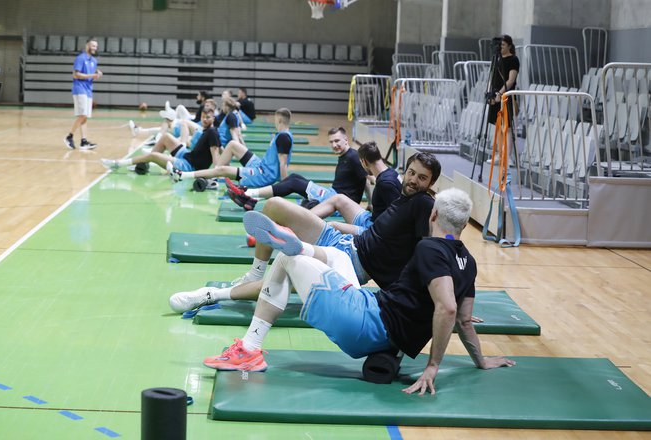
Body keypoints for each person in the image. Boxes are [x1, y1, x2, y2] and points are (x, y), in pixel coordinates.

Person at [203, 188, 516, 395]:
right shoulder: (469, 263)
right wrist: (482, 360)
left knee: (285, 258)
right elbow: (464, 320)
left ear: (433, 215)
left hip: (364, 323)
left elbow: (447, 309)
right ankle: (309, 251)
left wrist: (432, 366)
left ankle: (250, 349)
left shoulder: (429, 250)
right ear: (463, 226)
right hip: (372, 313)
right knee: (337, 257)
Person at [168, 152, 440, 312]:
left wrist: (437, 297)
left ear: (431, 183)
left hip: (351, 264)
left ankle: (211, 295)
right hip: (344, 241)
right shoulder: (404, 196)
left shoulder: (423, 204)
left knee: (285, 269)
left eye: (422, 177)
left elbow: (427, 252)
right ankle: (255, 270)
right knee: (273, 206)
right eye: (412, 173)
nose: (414, 180)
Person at [225, 127, 368, 211]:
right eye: (331, 142)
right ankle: (253, 198)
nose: (334, 145)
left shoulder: (354, 157)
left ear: (346, 140)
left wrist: (371, 206)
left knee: (294, 183)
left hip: (338, 201)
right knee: (294, 177)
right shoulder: (345, 156)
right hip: (333, 195)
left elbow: (369, 179)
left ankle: (248, 194)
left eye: (337, 141)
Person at [168, 108, 293, 188]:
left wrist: (284, 187)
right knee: (232, 145)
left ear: (280, 120)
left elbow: (283, 165)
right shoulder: (283, 135)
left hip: (263, 175)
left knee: (223, 169)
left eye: (276, 121)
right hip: (260, 166)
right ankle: (214, 176)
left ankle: (183, 175)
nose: (275, 123)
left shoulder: (283, 138)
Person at [309, 141, 401, 234]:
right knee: (338, 198)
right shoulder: (392, 173)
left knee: (332, 225)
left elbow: (397, 217)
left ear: (364, 161)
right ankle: (304, 218)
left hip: (373, 232)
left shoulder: (385, 184)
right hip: (371, 220)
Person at [101, 108, 219, 173]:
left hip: (188, 166)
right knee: (165, 137)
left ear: (214, 118)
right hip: (187, 156)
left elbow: (216, 156)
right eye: (203, 117)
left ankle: (117, 163)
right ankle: (143, 164)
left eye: (207, 117)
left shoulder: (212, 132)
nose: (204, 119)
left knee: (154, 156)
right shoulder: (204, 130)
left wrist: (216, 174)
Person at [64, 37, 102, 150]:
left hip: (88, 90)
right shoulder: (80, 58)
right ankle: (69, 136)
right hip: (79, 89)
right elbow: (76, 75)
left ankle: (84, 141)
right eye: (93, 45)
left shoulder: (94, 61)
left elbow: (91, 76)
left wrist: (97, 75)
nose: (95, 48)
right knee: (83, 115)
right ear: (87, 46)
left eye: (96, 46)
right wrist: (92, 75)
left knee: (85, 117)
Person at [487, 34, 519, 165]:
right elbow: (492, 78)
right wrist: (490, 93)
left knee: (508, 127)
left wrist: (500, 94)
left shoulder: (513, 60)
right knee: (498, 126)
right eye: (499, 45)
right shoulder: (496, 59)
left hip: (506, 96)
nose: (500, 47)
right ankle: (500, 155)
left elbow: (511, 80)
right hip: (495, 96)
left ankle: (508, 156)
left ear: (509, 46)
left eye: (503, 45)